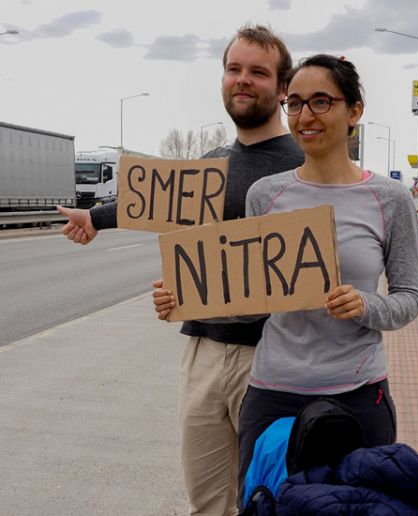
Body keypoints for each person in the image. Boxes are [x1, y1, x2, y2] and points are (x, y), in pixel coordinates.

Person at [153, 54, 418, 511]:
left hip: (358, 393)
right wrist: (189, 299)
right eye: (295, 103)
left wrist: (364, 305)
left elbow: (410, 298)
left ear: (354, 111)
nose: (306, 116)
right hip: (273, 391)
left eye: (321, 102)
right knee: (263, 506)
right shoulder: (268, 195)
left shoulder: (389, 198)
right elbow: (256, 301)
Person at [58, 25, 304, 516]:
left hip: (277, 356)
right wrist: (94, 219)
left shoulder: (304, 164)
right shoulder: (209, 163)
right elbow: (151, 201)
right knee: (208, 502)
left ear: (282, 89)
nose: (243, 80)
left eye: (258, 72)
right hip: (204, 353)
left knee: (272, 500)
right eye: (234, 69)